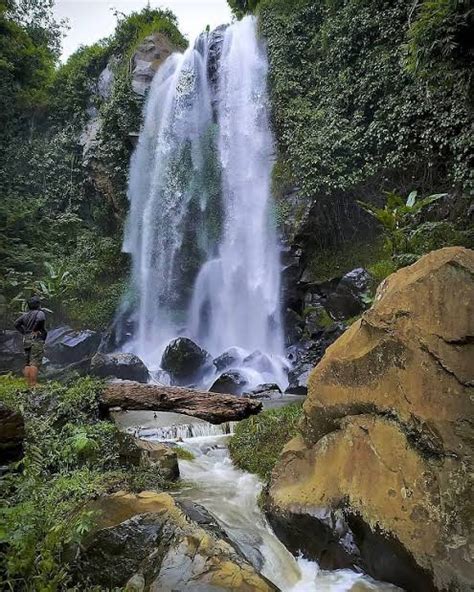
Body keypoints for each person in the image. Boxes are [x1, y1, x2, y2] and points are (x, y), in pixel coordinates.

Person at [14, 296, 48, 387]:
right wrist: (36, 329)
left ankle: (28, 383)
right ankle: (33, 384)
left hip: (27, 339)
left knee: (28, 362)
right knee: (35, 361)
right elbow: (41, 319)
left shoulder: (25, 315)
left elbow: (16, 323)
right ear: (38, 305)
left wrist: (24, 332)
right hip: (36, 339)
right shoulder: (40, 313)